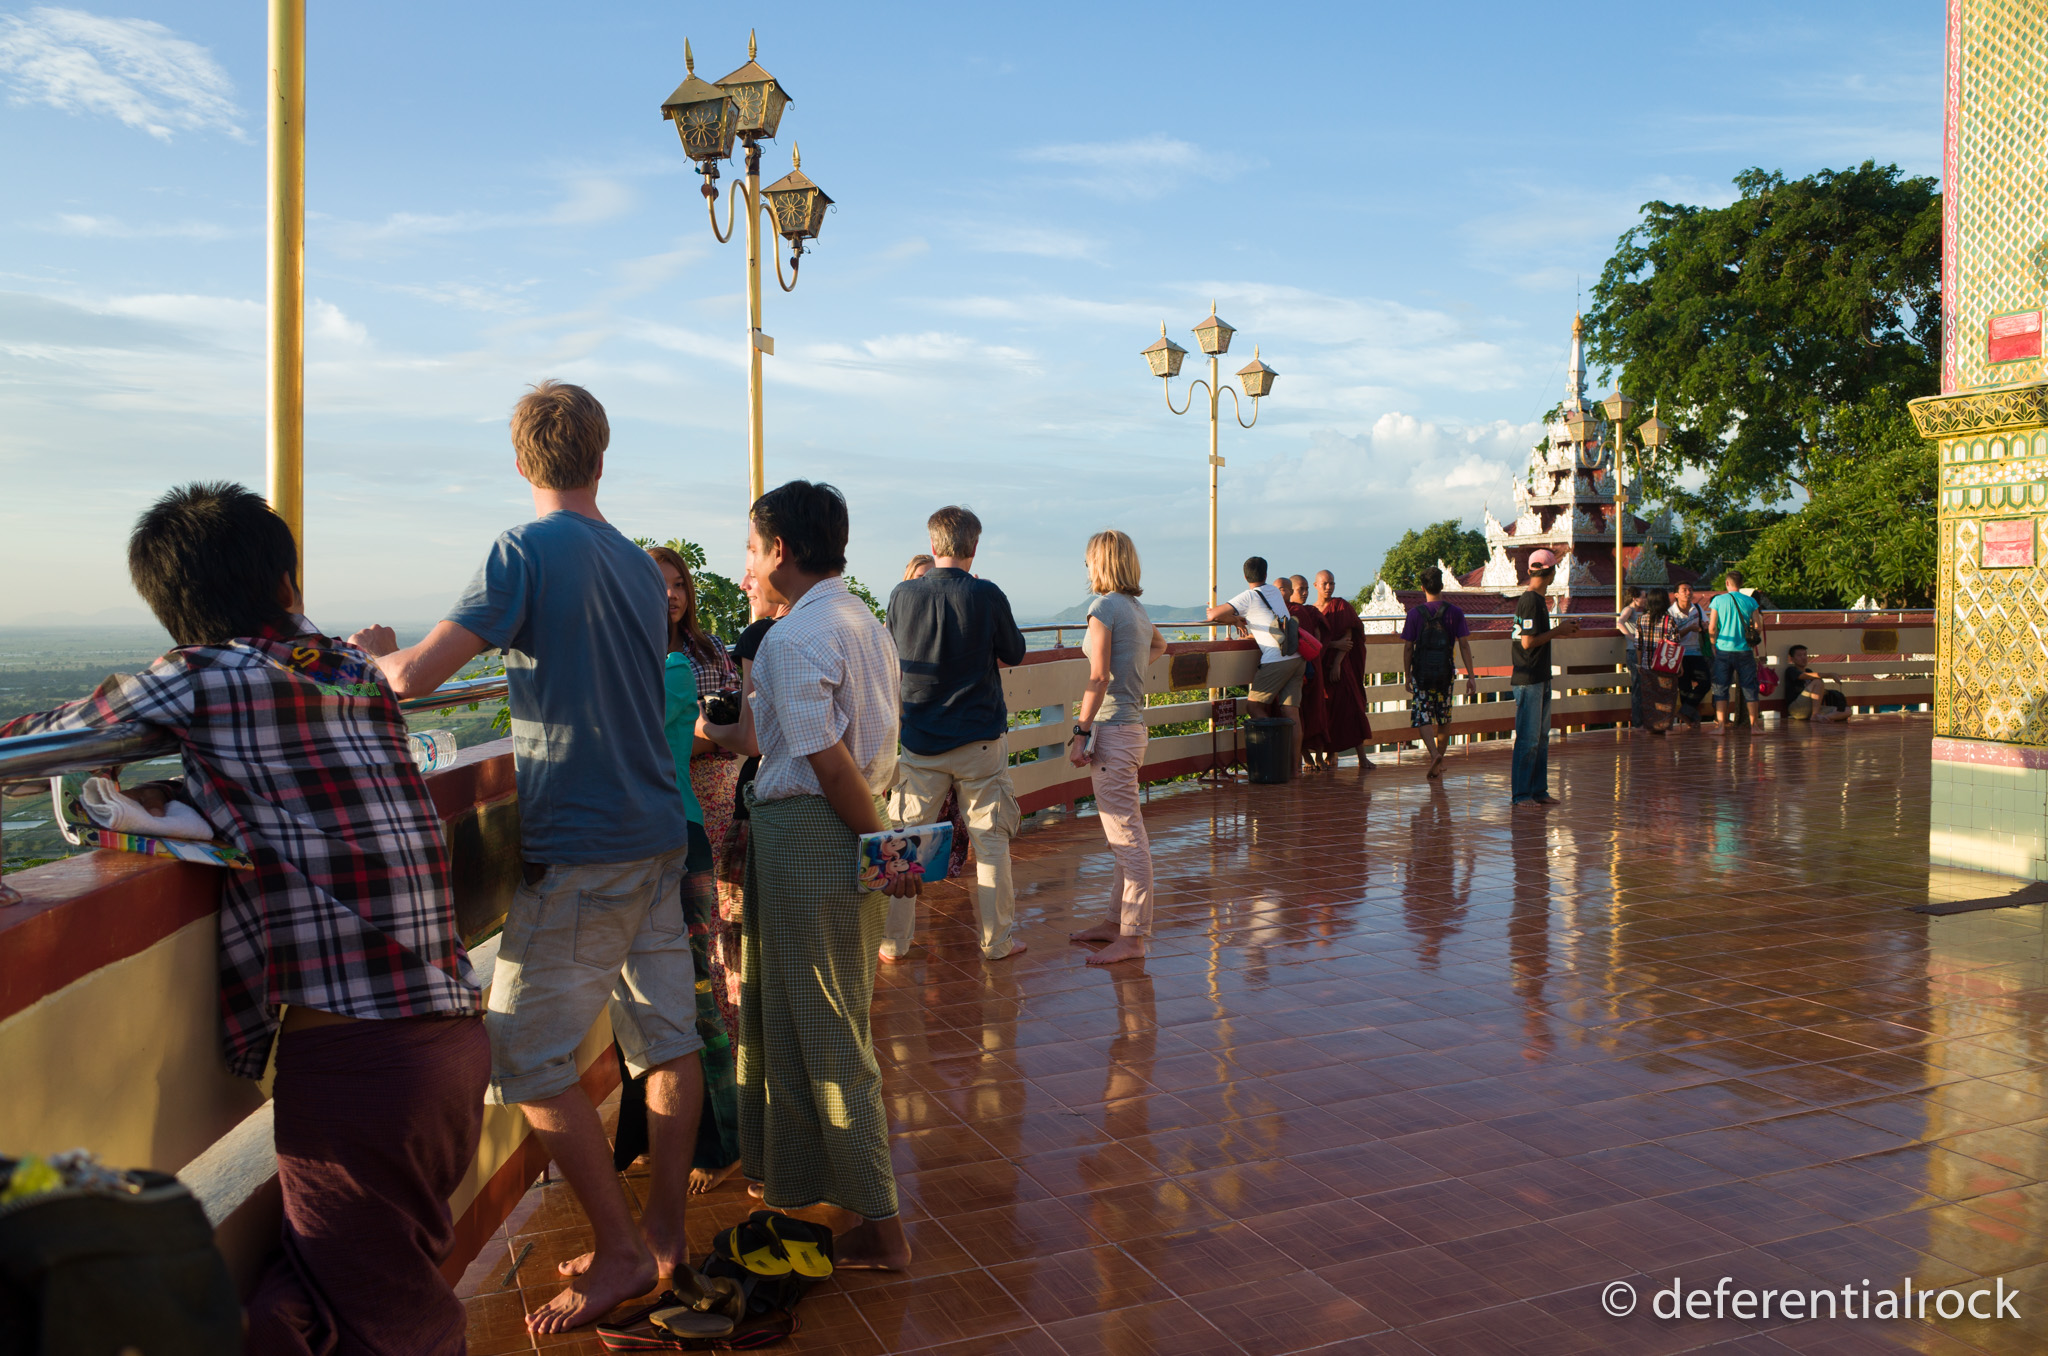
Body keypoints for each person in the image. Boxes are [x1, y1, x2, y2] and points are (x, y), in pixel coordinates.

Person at [1, 482, 490, 1356]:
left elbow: (43, 743)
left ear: (173, 614)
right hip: (447, 1041)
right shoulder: (352, 672)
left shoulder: (201, 675)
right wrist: (192, 791)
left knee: (387, 1323)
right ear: (287, 584)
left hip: (358, 1069)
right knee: (329, 1301)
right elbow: (295, 783)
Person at [351, 381, 699, 1334]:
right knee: (667, 1037)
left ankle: (622, 1254)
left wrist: (377, 656)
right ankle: (663, 1237)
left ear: (519, 462)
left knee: (526, 1054)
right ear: (602, 458)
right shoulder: (638, 566)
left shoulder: (523, 550)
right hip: (655, 829)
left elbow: (417, 677)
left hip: (583, 841)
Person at [738, 479, 917, 1271]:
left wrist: (886, 849)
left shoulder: (792, 638)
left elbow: (828, 763)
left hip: (817, 835)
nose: (749, 564)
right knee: (810, 1011)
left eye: (752, 548)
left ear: (780, 549)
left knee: (829, 1026)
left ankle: (882, 1221)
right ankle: (819, 1183)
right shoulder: (864, 622)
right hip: (844, 828)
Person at [883, 506, 1029, 963]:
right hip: (979, 741)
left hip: (921, 742)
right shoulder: (986, 594)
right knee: (991, 844)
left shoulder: (902, 595)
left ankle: (894, 943)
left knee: (904, 844)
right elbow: (1015, 652)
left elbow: (891, 657)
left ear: (933, 545)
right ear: (974, 546)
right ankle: (997, 942)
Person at [644, 546, 743, 1195]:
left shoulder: (693, 658)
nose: (672, 595)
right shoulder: (635, 656)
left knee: (702, 979)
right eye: (659, 585)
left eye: (678, 584)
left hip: (699, 812)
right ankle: (663, 1131)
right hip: (657, 827)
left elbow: (731, 726)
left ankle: (722, 1132)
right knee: (659, 990)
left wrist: (699, 733)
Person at [1067, 529, 1169, 966]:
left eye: (1089, 559)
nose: (1086, 567)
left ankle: (1134, 936)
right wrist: (1132, 671)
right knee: (1121, 835)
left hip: (1112, 731)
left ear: (1101, 563)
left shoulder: (1104, 607)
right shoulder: (1135, 608)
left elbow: (1098, 676)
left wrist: (1080, 731)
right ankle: (1116, 923)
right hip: (1132, 730)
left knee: (1128, 839)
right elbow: (1161, 645)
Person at [1206, 557, 1305, 775]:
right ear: (1266, 574)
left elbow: (1213, 614)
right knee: (1292, 714)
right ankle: (1294, 769)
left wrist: (1234, 620)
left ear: (1245, 576)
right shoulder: (1273, 591)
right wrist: (1237, 619)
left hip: (1276, 659)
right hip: (1296, 656)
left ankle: (1275, 752)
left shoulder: (1249, 596)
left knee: (1253, 707)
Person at [1511, 549, 1578, 808]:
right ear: (1551, 574)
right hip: (1528, 677)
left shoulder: (1538, 600)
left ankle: (1538, 790)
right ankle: (1522, 794)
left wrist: (1559, 630)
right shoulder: (1530, 601)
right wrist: (1559, 630)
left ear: (1530, 571)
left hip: (1539, 674)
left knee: (1540, 738)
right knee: (1528, 739)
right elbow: (1527, 642)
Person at [1401, 566, 1477, 779]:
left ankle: (1434, 754)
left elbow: (1408, 647)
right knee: (1444, 716)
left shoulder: (1415, 614)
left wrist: (1407, 674)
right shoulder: (1455, 613)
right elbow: (1464, 645)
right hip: (1445, 673)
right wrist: (1471, 676)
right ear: (1442, 586)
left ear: (1422, 588)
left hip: (1421, 674)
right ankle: (1440, 760)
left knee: (1422, 715)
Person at [1313, 570, 1376, 769]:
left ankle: (1362, 757)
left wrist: (1337, 664)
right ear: (1316, 585)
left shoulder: (1341, 606)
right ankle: (1326, 755)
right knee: (1325, 711)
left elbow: (1348, 639)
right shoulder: (1312, 611)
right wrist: (1332, 644)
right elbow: (1314, 641)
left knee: (1352, 708)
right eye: (1325, 583)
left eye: (1332, 583)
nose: (1328, 587)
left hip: (1341, 667)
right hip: (1321, 667)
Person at [1706, 569, 1765, 733]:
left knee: (1721, 688)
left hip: (1723, 649)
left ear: (1727, 583)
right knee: (1749, 687)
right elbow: (1758, 626)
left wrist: (1713, 644)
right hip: (1744, 650)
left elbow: (1712, 627)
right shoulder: (1750, 601)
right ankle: (1754, 726)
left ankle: (1721, 726)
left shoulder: (1718, 600)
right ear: (1741, 584)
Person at [1285, 574, 1332, 769]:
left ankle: (1319, 756)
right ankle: (1306, 757)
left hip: (1313, 663)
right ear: (1290, 591)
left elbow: (1319, 638)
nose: (1305, 593)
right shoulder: (1288, 611)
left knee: (1316, 710)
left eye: (1306, 589)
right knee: (1300, 710)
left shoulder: (1311, 612)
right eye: (1300, 589)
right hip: (1295, 666)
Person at [1631, 588, 1683, 734]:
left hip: (1647, 665)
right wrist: (1680, 666)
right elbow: (1675, 644)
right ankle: (1662, 725)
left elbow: (1638, 645)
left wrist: (1640, 663)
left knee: (1649, 698)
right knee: (1666, 697)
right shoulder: (1669, 621)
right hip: (1666, 666)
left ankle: (1650, 725)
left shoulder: (1641, 620)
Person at [1669, 581, 1711, 721]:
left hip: (1696, 651)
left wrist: (1705, 627)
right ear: (1676, 595)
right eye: (1684, 590)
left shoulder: (1697, 608)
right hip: (1678, 653)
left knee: (1705, 682)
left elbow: (1705, 624)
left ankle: (1685, 711)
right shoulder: (1670, 613)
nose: (1688, 593)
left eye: (1690, 589)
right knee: (1684, 687)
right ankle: (1688, 718)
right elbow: (1671, 636)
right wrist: (1688, 629)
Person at [1784, 644, 1851, 722]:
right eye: (1799, 655)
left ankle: (1823, 717)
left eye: (1805, 655)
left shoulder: (1809, 671)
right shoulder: (1791, 670)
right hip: (1797, 709)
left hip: (1811, 709)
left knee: (1847, 710)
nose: (1803, 658)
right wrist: (1829, 675)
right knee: (1818, 681)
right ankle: (1815, 715)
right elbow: (1804, 676)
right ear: (1792, 659)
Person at [1616, 586, 1645, 730]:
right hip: (1633, 651)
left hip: (1639, 650)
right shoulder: (1629, 609)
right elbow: (1620, 622)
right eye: (1643, 597)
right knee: (1637, 685)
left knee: (1641, 685)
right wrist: (1631, 637)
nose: (1645, 600)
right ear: (1635, 598)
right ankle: (1638, 721)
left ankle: (1641, 719)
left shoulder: (1639, 611)